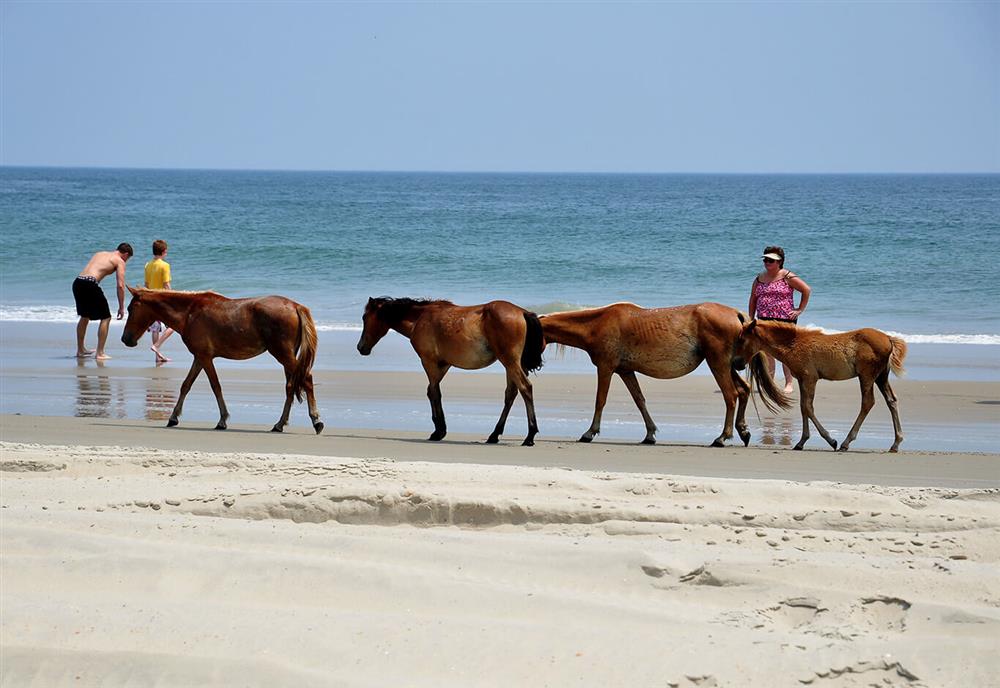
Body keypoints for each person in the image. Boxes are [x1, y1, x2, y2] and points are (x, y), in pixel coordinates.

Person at [748, 245, 811, 394]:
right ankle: (770, 382)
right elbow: (753, 299)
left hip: (784, 321)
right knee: (767, 352)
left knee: (784, 353)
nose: (767, 262)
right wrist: (751, 318)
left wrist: (799, 309)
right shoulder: (759, 278)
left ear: (779, 262)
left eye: (771, 260)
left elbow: (806, 290)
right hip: (764, 321)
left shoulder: (787, 276)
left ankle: (789, 383)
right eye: (765, 260)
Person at [73, 243, 133, 360]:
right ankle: (100, 353)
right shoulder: (119, 261)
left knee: (84, 316)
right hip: (90, 283)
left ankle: (80, 350)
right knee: (106, 317)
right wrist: (121, 307)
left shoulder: (100, 253)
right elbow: (120, 285)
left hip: (78, 282)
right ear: (126, 254)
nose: (126, 261)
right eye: (128, 259)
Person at [144, 239, 175, 363]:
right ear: (164, 251)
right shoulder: (165, 265)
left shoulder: (148, 265)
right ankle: (156, 346)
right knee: (173, 325)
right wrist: (173, 298)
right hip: (162, 300)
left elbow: (146, 285)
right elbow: (166, 284)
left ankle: (157, 357)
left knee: (155, 328)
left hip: (151, 300)